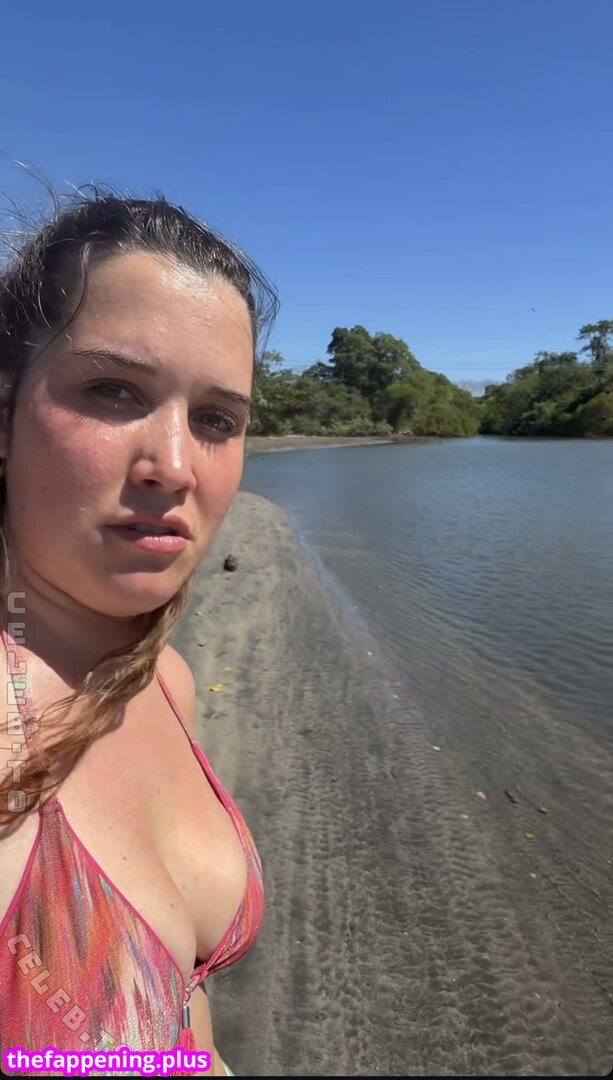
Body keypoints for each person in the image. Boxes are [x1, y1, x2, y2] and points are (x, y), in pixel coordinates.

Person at [0, 190, 278, 1076]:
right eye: (114, 391)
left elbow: (182, 1011)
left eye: (216, 420)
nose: (174, 466)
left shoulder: (162, 679)